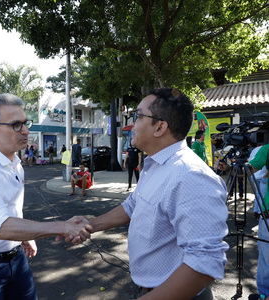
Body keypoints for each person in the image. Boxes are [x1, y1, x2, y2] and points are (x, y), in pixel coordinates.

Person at [68, 88, 229, 299]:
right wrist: (90, 224)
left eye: (138, 116)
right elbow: (132, 206)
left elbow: (205, 262)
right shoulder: (155, 164)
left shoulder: (191, 175)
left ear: (160, 127)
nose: (133, 124)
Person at [0, 94, 93, 300]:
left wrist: (25, 237)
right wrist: (63, 226)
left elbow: (10, 208)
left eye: (25, 123)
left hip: (17, 259)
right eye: (16, 125)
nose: (26, 130)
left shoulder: (15, 161)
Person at [248, 145, 269, 300]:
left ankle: (264, 294)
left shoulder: (267, 149)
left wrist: (230, 167)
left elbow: (248, 170)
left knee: (266, 255)